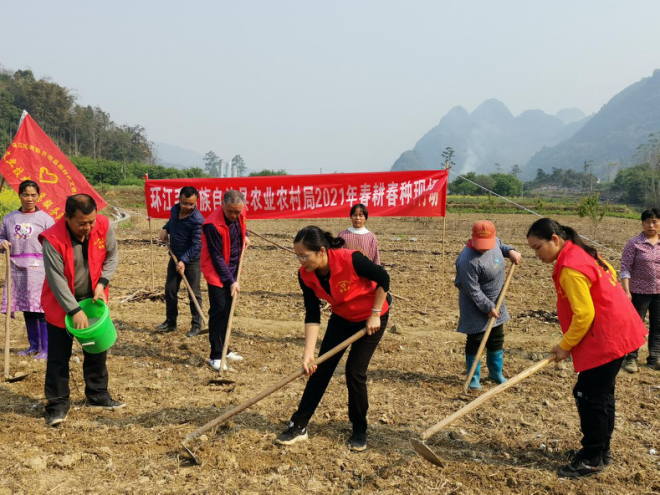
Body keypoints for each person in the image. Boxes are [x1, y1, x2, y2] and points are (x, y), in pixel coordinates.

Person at [526, 218, 647, 478]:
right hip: (618, 330)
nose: (536, 254)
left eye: (537, 248)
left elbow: (584, 315)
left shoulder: (570, 266)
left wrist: (564, 345)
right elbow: (611, 275)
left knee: (589, 395)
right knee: (601, 395)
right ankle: (601, 450)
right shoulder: (582, 252)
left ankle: (592, 457)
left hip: (607, 337)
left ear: (554, 240)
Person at [274, 226, 391, 452]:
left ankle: (359, 429)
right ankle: (298, 426)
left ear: (320, 251)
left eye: (304, 256)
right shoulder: (305, 275)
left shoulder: (350, 259)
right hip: (341, 317)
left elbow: (383, 277)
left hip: (370, 318)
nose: (300, 261)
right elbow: (312, 313)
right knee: (320, 369)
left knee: (354, 372)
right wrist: (309, 355)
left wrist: (375, 313)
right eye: (296, 255)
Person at [40, 194, 123, 427]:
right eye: (81, 223)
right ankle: (57, 405)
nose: (87, 228)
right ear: (67, 217)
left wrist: (102, 283)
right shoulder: (52, 239)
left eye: (91, 222)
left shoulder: (103, 225)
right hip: (61, 303)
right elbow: (56, 280)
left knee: (96, 349)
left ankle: (98, 394)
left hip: (93, 299)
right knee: (58, 356)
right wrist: (74, 309)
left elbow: (112, 256)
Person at [455, 220, 521, 389]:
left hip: (497, 301)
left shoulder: (494, 242)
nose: (484, 248)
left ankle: (495, 373)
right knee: (476, 340)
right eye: (480, 244)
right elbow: (472, 290)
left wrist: (511, 251)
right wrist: (487, 307)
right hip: (475, 306)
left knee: (496, 337)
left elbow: (502, 246)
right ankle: (473, 377)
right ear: (472, 238)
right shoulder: (466, 261)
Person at [0, 180, 54, 359]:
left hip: (40, 270)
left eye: (33, 195)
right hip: (17, 270)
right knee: (27, 308)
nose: (29, 198)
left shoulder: (45, 219)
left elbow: (54, 243)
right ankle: (33, 346)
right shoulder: (9, 218)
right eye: (25, 194)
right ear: (19, 195)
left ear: (38, 196)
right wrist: (2, 243)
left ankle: (46, 348)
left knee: (41, 308)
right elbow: (0, 237)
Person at [200, 190, 249, 370]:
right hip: (216, 271)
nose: (235, 216)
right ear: (222, 205)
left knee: (228, 309)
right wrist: (231, 281)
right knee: (218, 311)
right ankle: (215, 354)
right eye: (231, 212)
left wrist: (246, 237)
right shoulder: (212, 225)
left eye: (238, 212)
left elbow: (243, 226)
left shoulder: (240, 213)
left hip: (233, 268)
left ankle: (225, 350)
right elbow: (217, 258)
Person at [156, 186, 204, 337]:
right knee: (170, 290)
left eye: (191, 204)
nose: (187, 207)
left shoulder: (197, 221)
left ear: (196, 203)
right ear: (179, 200)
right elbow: (172, 223)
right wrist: (165, 229)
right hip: (175, 256)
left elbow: (197, 245)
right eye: (185, 203)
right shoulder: (175, 210)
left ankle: (196, 325)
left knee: (193, 293)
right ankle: (171, 322)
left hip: (191, 261)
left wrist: (184, 261)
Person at [619, 208, 660, 373]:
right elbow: (625, 268)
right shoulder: (634, 243)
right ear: (642, 223)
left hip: (659, 293)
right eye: (647, 222)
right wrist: (626, 290)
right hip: (639, 292)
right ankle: (631, 358)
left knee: (658, 326)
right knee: (636, 326)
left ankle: (655, 358)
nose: (651, 225)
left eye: (655, 221)